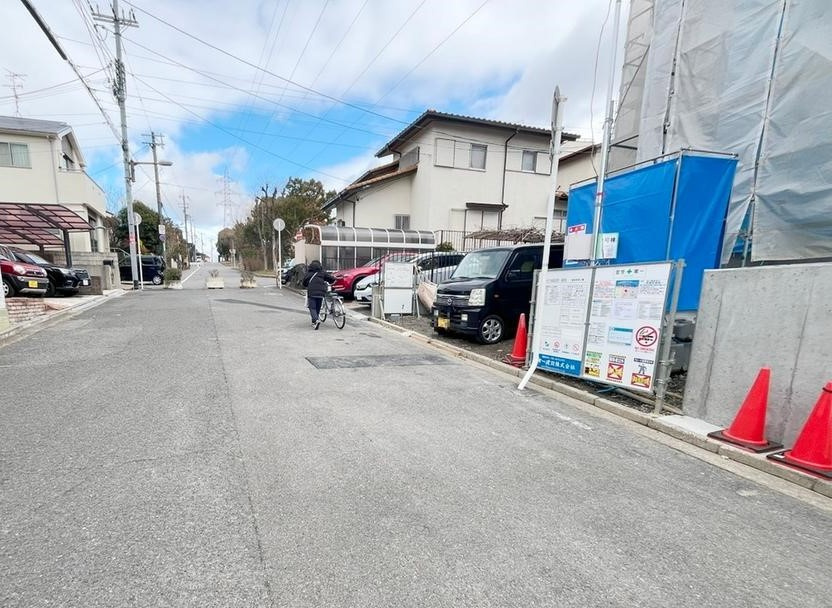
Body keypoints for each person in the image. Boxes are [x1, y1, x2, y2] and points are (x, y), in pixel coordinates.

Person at [302, 260, 335, 329]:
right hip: (321, 293)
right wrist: (334, 279)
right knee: (317, 307)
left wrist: (307, 285)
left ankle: (316, 320)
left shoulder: (309, 273)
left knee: (312, 307)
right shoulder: (322, 272)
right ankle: (314, 321)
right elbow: (331, 279)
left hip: (312, 292)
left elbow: (304, 283)